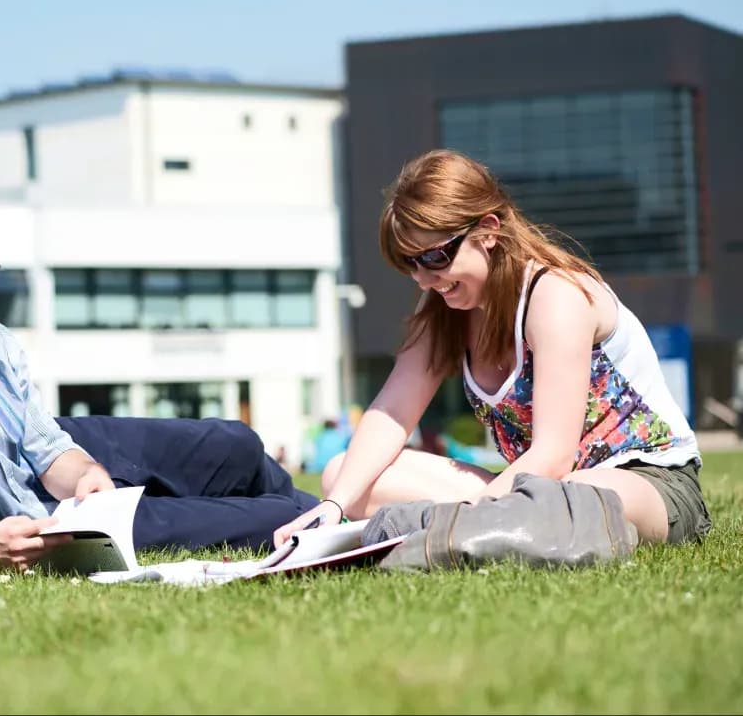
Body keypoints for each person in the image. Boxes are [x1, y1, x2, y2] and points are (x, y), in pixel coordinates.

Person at [275, 149, 711, 547]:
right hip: (530, 490)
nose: (424, 279)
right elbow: (392, 413)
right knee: (341, 476)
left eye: (434, 257)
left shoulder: (555, 295)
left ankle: (449, 530)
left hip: (644, 482)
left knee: (558, 504)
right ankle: (478, 529)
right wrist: (332, 508)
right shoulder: (443, 307)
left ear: (487, 230)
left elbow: (553, 455)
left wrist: (473, 513)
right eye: (410, 263)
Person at [0, 223, 318, 575]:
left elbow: (44, 443)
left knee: (234, 443)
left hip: (70, 454)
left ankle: (334, 508)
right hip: (51, 526)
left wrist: (86, 473)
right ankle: (337, 519)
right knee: (277, 519)